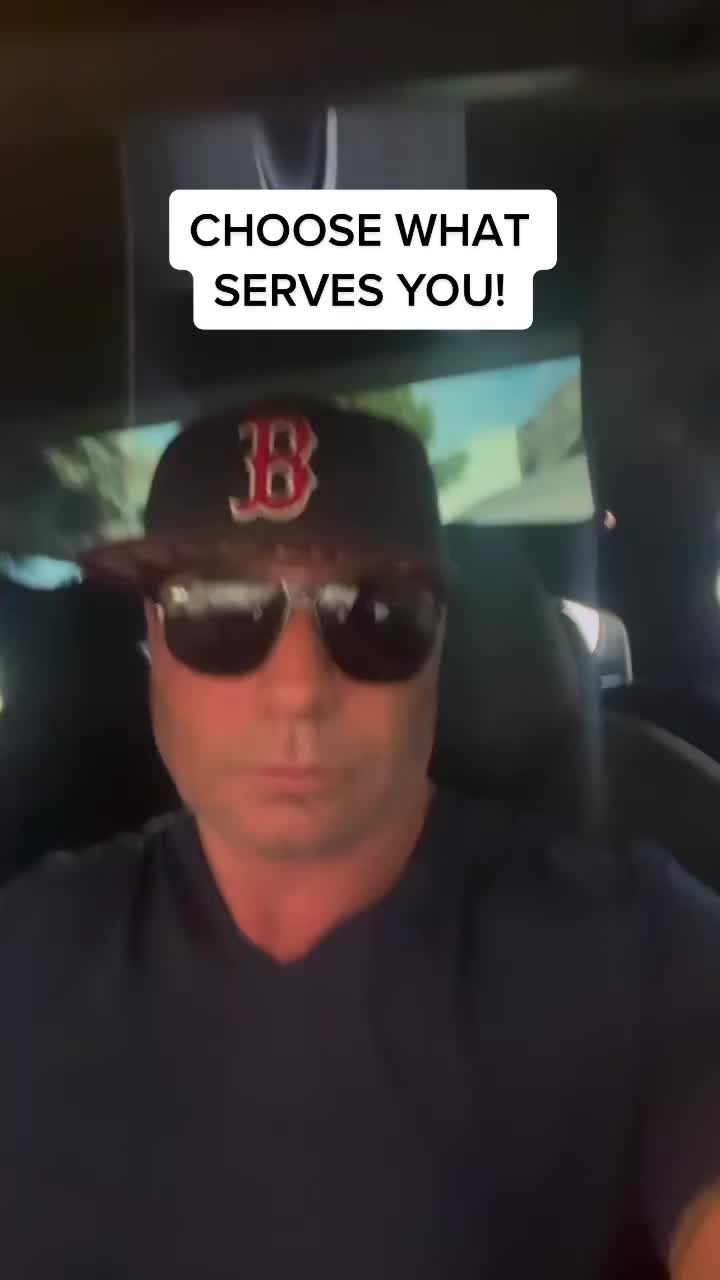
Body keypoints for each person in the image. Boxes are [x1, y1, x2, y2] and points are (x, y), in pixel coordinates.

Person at [0, 398, 718, 1280]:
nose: (299, 686)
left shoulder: (639, 952)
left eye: (378, 613)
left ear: (439, 646)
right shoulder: (25, 950)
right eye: (218, 607)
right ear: (153, 641)